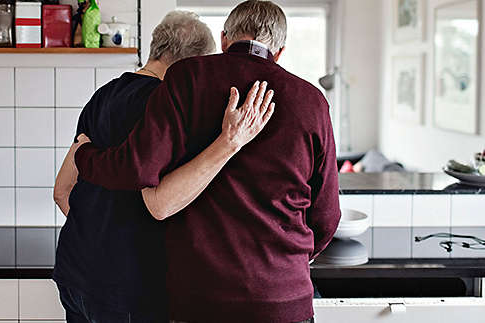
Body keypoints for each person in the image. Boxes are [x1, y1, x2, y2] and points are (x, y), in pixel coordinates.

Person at [74, 1, 342, 322]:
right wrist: (287, 261)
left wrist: (84, 155)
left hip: (199, 295)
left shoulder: (187, 77)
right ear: (280, 52)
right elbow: (327, 215)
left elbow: (138, 170)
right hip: (282, 296)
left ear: (225, 39)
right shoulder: (311, 101)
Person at [53, 11, 275, 323]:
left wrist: (98, 238)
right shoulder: (167, 107)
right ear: (190, 64)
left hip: (73, 272)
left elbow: (62, 192)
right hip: (129, 289)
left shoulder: (101, 97)